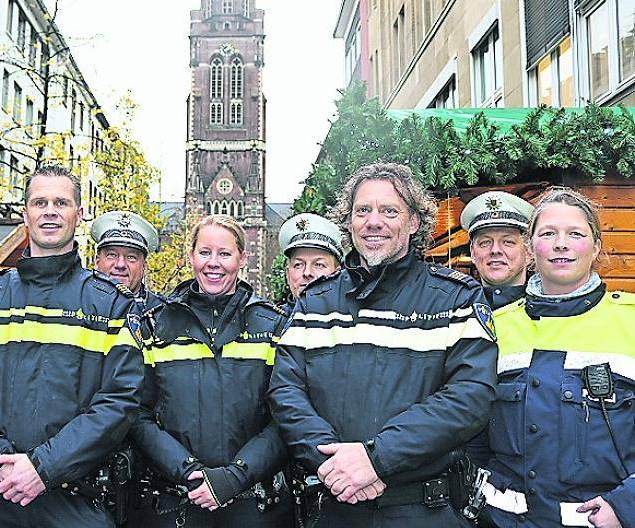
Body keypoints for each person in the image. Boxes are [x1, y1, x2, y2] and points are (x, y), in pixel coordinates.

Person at [269, 162, 498, 527]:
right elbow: (286, 393)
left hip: (422, 510)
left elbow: (470, 396)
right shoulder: (316, 303)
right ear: (349, 221)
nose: (373, 222)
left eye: (389, 211)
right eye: (363, 211)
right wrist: (334, 465)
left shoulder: (455, 298)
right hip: (333, 506)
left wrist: (377, 459)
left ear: (414, 222)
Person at [0, 164, 144, 527]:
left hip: (78, 501)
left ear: (79, 215)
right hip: (0, 495)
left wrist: (43, 467)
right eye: (40, 202)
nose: (50, 210)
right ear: (26, 214)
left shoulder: (109, 305)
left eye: (61, 202)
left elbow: (120, 400)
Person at [481, 187, 633, 528]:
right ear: (531, 247)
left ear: (596, 247)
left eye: (575, 234)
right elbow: (472, 430)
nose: (560, 244)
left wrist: (626, 507)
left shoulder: (630, 322)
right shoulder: (496, 328)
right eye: (548, 233)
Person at [130, 214, 294, 527]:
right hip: (176, 502)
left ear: (242, 259)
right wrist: (187, 470)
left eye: (225, 254)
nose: (213, 263)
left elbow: (286, 415)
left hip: (254, 505)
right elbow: (138, 413)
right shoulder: (156, 325)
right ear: (191, 256)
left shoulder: (273, 327)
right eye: (205, 253)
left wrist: (235, 476)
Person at [460, 190, 534, 310]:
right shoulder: (457, 311)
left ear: (529, 252)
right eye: (485, 242)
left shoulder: (549, 311)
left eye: (508, 242)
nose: (495, 250)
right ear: (473, 253)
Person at [91, 210, 163, 312]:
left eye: (131, 257)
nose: (120, 264)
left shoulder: (161, 313)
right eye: (112, 255)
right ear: (97, 262)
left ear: (144, 267)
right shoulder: (75, 304)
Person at [277, 213, 344, 314]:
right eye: (298, 265)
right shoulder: (272, 325)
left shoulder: (355, 324)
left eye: (319, 265)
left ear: (337, 274)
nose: (307, 272)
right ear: (288, 275)